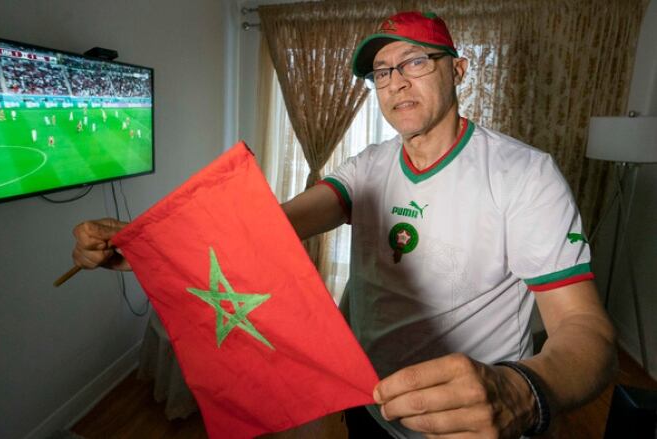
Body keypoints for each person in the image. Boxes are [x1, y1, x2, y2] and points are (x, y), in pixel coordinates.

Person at [70, 11, 616, 439]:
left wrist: (521, 391)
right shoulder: (367, 167)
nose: (397, 83)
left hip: (469, 423)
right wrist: (147, 244)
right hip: (371, 403)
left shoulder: (524, 174)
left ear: (460, 69)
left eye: (416, 62)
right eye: (382, 72)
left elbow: (586, 332)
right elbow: (270, 228)